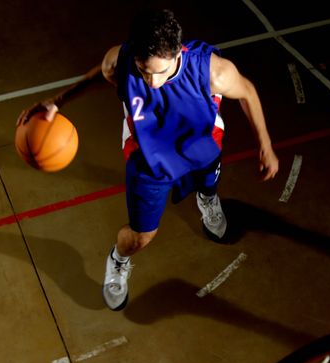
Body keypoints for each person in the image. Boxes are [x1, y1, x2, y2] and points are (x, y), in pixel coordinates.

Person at [17, 8, 279, 311]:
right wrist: (58, 100)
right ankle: (118, 259)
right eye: (143, 70)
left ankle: (207, 200)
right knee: (142, 236)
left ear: (177, 54)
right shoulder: (119, 62)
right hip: (150, 156)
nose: (152, 82)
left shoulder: (214, 72)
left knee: (208, 183)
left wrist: (265, 145)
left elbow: (247, 92)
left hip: (200, 143)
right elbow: (99, 77)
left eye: (160, 72)